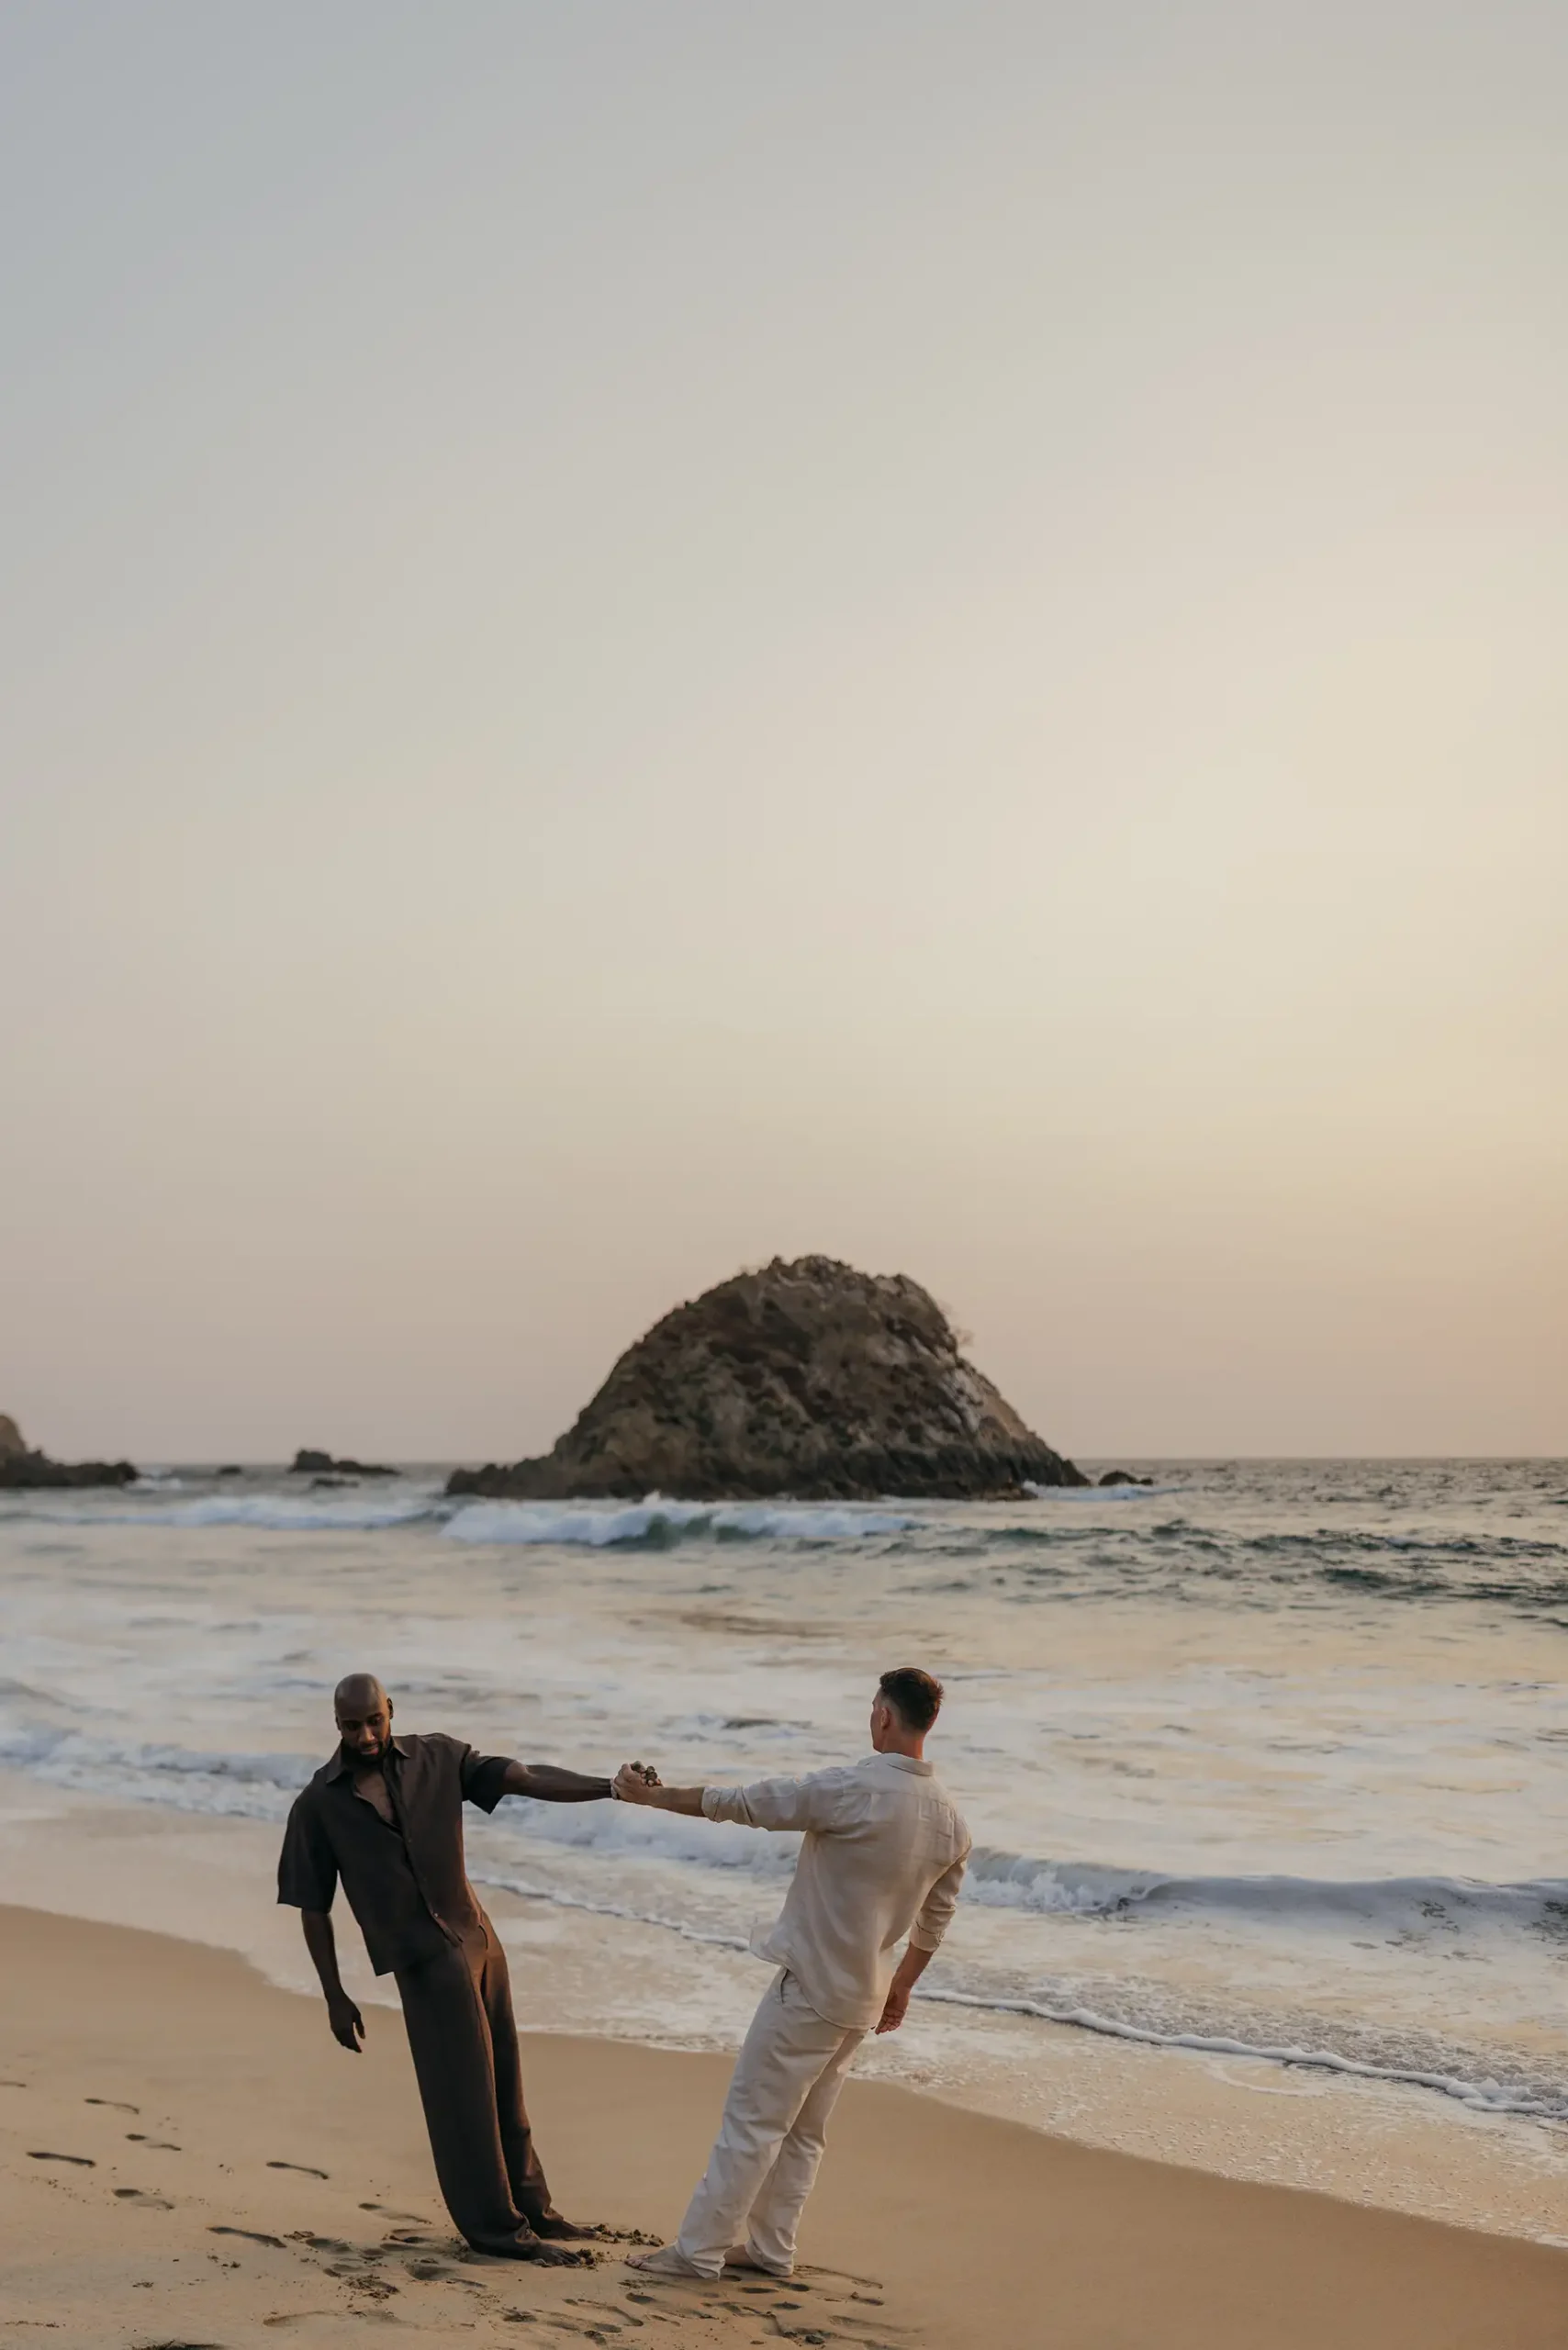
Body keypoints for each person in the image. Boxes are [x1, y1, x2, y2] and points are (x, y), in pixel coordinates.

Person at [611, 1665, 969, 2281]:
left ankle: (697, 2252)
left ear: (885, 1715)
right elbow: (935, 1922)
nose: (871, 1717)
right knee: (804, 2132)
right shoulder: (951, 1822)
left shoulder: (853, 1789)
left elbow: (745, 1803)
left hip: (809, 1988)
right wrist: (902, 1987)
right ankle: (772, 2249)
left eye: (873, 1707)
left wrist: (655, 1796)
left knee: (752, 2122)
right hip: (864, 1997)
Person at [277, 1672, 619, 2264]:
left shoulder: (439, 1757)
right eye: (351, 1725)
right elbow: (314, 1908)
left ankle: (537, 2212)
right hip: (423, 1964)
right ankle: (499, 2232)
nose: (365, 1735)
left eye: (375, 1720)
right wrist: (334, 1995)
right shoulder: (318, 1806)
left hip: (480, 1944)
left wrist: (610, 1787)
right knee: (463, 2103)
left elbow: (526, 1778)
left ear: (391, 1710)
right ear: (336, 1725)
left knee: (505, 2088)